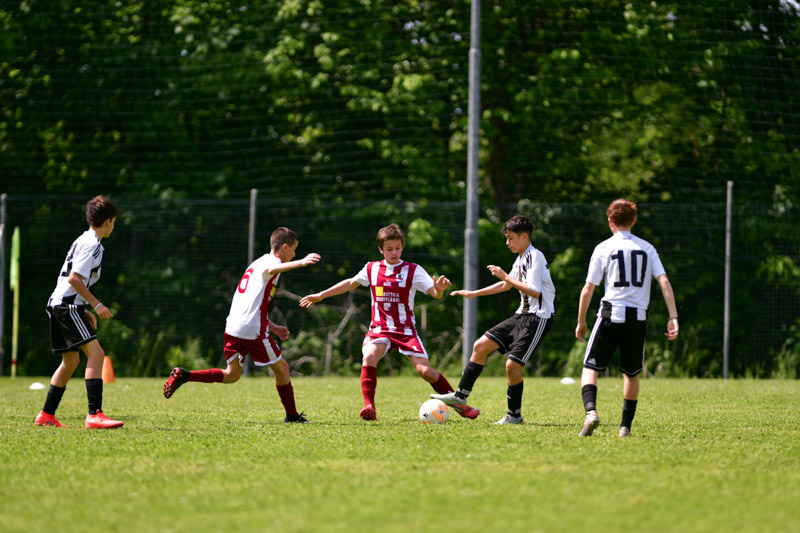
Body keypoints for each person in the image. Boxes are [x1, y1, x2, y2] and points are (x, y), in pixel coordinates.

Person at [299, 223, 478, 421]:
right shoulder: (372, 268)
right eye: (389, 249)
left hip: (405, 330)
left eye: (398, 248)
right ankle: (369, 407)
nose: (394, 252)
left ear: (402, 247)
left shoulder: (413, 270)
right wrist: (321, 295)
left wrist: (439, 289)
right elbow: (351, 282)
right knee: (369, 356)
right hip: (380, 329)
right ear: (381, 249)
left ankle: (460, 406)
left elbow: (435, 294)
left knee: (426, 371)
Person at [163, 227, 320, 424]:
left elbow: (251, 303)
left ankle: (184, 375)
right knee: (282, 368)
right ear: (285, 247)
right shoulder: (273, 263)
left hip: (234, 326)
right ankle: (292, 416)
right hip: (251, 330)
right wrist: (302, 262)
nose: (294, 255)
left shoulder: (257, 263)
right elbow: (271, 270)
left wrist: (272, 326)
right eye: (294, 250)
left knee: (231, 375)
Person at [432, 215, 556, 424]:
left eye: (510, 238)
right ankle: (460, 397)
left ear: (524, 237)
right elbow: (506, 285)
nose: (507, 243)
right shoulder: (521, 258)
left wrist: (505, 275)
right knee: (480, 346)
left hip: (538, 318)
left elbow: (534, 291)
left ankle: (514, 416)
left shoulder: (535, 256)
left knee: (512, 366)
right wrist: (474, 293)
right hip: (521, 316)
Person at [575, 199, 679, 437]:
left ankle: (591, 412)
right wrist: (673, 316)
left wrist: (581, 321)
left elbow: (588, 288)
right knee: (631, 373)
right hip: (637, 318)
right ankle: (625, 427)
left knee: (590, 367)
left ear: (610, 221)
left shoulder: (604, 247)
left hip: (610, 314)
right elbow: (663, 281)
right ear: (633, 221)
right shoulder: (647, 248)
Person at [34, 195, 124, 429]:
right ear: (108, 221)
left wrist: (84, 309)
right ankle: (95, 415)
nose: (113, 226)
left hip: (60, 304)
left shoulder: (83, 239)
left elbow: (73, 280)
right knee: (97, 355)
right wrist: (96, 305)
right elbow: (74, 279)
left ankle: (46, 415)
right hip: (66, 306)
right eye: (114, 222)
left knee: (71, 361)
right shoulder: (93, 244)